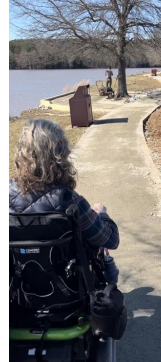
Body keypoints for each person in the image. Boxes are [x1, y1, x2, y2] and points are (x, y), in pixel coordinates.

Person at [9, 119, 120, 283]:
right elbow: (110, 240)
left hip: (19, 294)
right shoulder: (69, 200)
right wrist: (102, 214)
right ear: (61, 155)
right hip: (69, 291)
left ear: (21, 154)